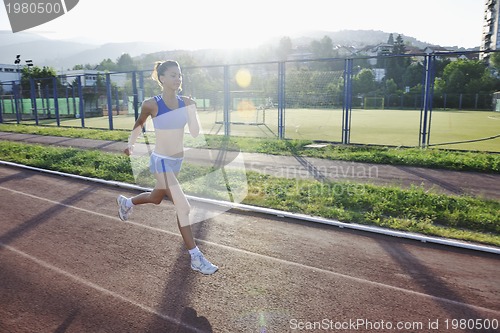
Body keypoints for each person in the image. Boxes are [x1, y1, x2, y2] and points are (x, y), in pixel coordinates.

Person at [116, 60, 218, 275]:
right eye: (173, 75)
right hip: (160, 160)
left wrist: (193, 111)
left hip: (176, 162)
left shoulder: (186, 102)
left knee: (156, 198)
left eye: (179, 75)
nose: (178, 78)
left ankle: (127, 202)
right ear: (162, 78)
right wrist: (130, 144)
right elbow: (138, 125)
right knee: (184, 206)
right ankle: (195, 257)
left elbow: (195, 133)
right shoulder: (151, 104)